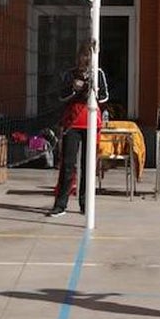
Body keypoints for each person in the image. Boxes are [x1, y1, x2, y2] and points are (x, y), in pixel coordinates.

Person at [46, 40, 109, 217]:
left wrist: (94, 89)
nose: (86, 59)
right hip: (72, 123)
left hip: (91, 122)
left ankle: (85, 203)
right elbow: (61, 96)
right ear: (78, 57)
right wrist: (75, 88)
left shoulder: (98, 74)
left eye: (89, 56)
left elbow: (104, 98)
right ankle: (61, 204)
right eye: (83, 56)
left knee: (88, 165)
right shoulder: (70, 74)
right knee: (68, 164)